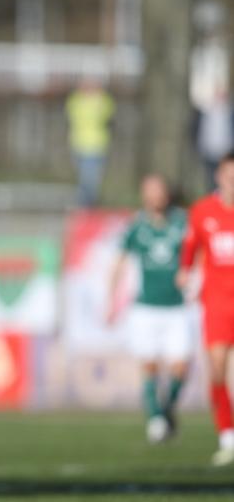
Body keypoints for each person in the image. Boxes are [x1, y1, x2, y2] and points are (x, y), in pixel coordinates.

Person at [107, 175, 191, 443]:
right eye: (150, 192)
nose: (155, 197)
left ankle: (167, 408)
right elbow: (119, 262)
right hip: (146, 308)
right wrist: (111, 301)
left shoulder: (183, 221)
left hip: (177, 307)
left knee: (180, 367)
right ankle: (156, 418)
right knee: (150, 365)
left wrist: (192, 273)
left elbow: (199, 251)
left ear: (167, 194)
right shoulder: (136, 226)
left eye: (159, 191)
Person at [177, 151, 234, 467]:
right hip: (217, 303)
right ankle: (227, 437)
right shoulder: (202, 211)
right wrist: (184, 270)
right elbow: (190, 246)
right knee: (216, 369)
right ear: (219, 176)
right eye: (229, 174)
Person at [65, 78, 115, 207]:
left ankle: (87, 206)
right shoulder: (76, 100)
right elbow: (71, 112)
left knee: (90, 180)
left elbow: (107, 113)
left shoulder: (102, 100)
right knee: (83, 180)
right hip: (78, 145)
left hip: (96, 146)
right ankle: (86, 206)